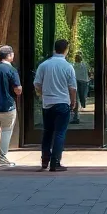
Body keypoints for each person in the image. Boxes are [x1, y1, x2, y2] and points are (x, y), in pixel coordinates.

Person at [33, 38, 78, 172]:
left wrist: (42, 94)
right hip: (63, 103)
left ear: (55, 49)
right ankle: (55, 162)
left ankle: (45, 160)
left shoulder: (44, 65)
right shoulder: (68, 67)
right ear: (66, 50)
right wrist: (73, 102)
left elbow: (36, 84)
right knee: (59, 133)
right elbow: (72, 88)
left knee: (47, 132)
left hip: (47, 104)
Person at [71, 52, 90, 124]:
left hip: (76, 82)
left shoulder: (72, 65)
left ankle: (76, 115)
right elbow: (89, 73)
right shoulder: (85, 65)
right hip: (84, 82)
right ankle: (82, 104)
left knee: (77, 98)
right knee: (82, 97)